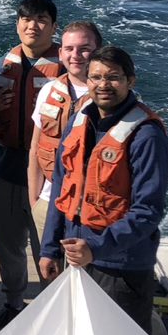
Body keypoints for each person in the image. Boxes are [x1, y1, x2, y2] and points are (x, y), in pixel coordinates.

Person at [39, 45, 168, 335]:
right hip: (78, 258)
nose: (103, 85)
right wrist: (49, 247)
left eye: (113, 77)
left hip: (120, 266)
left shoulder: (146, 135)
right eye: (96, 77)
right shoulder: (80, 120)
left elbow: (148, 211)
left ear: (131, 81)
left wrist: (97, 248)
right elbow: (63, 188)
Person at [0, 0, 63, 333]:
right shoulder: (1, 67)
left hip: (50, 176)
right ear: (17, 24)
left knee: (47, 248)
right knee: (7, 245)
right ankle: (13, 305)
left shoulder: (68, 71)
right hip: (6, 166)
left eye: (41, 19)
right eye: (26, 19)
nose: (33, 25)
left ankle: (54, 316)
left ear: (53, 27)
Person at [27, 21, 102, 253]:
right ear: (60, 53)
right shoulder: (49, 91)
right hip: (48, 204)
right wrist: (34, 202)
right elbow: (35, 149)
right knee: (50, 275)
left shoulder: (113, 98)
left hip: (92, 210)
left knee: (89, 281)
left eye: (84, 48)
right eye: (69, 49)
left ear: (98, 51)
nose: (75, 55)